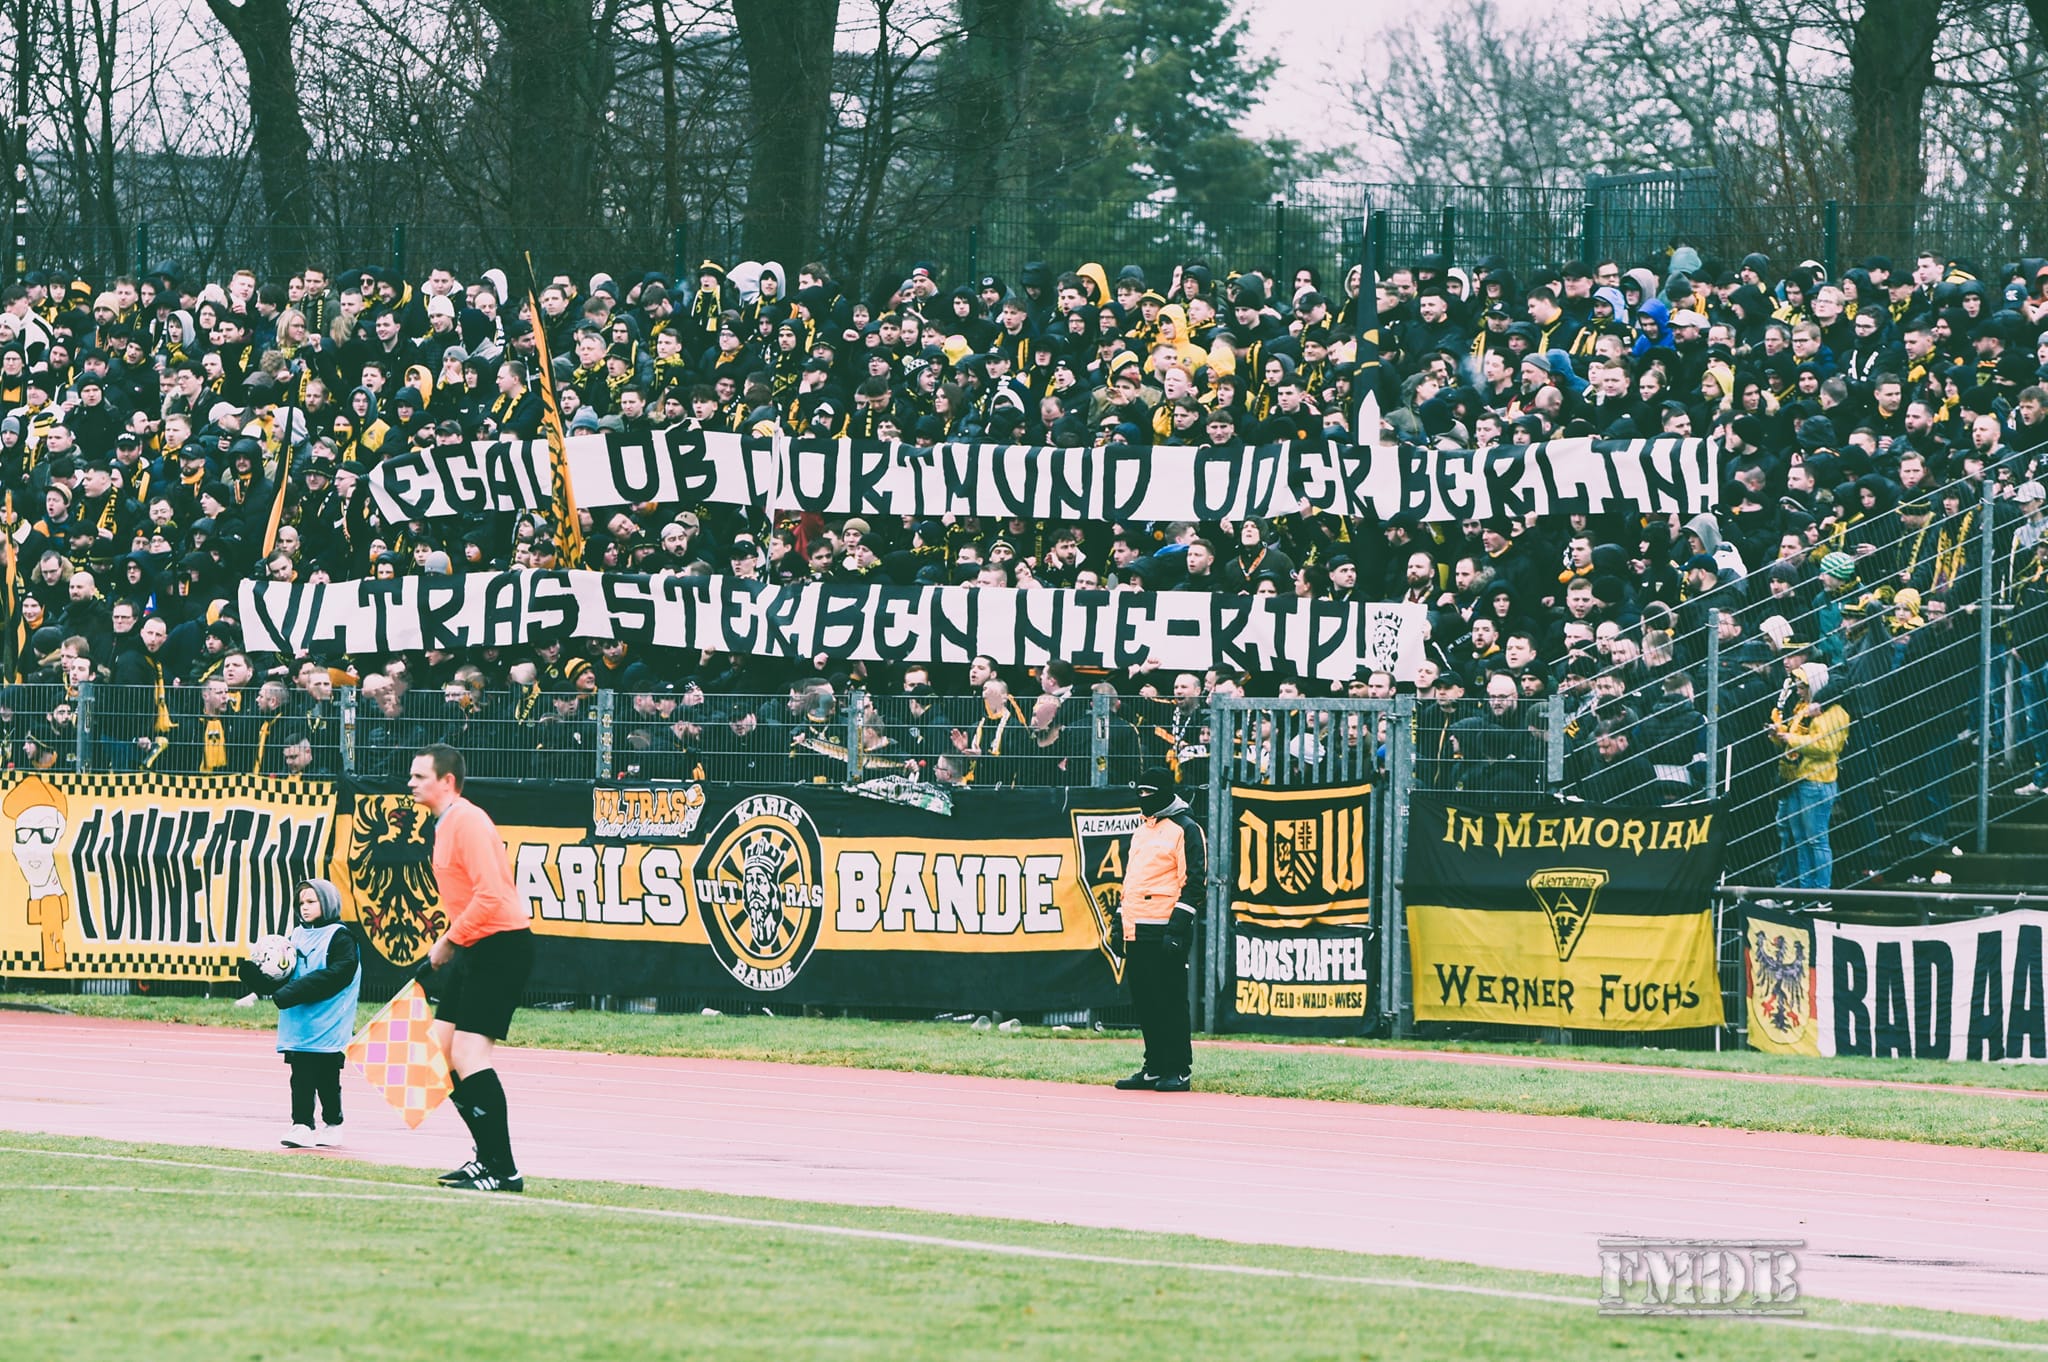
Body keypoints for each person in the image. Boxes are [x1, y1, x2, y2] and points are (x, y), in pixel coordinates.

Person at [411, 742, 533, 1192]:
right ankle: (487, 1160)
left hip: (501, 946)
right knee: (442, 1055)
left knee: (468, 1056)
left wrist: (447, 941)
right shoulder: (444, 825)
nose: (411, 783)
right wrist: (455, 942)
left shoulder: (468, 821)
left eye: (420, 776)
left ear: (447, 781)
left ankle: (504, 1170)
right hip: (475, 948)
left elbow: (493, 898)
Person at [236, 879, 362, 1149]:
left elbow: (337, 975)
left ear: (327, 904)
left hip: (329, 1023)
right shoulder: (295, 935)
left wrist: (292, 993)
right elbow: (286, 976)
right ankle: (302, 1125)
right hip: (299, 1024)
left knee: (328, 1078)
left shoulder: (341, 938)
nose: (304, 908)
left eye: (311, 902)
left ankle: (333, 1123)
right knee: (301, 1075)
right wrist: (258, 981)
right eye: (301, 903)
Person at [1113, 767, 1205, 1093]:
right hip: (1137, 928)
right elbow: (1133, 881)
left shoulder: (1186, 828)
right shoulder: (1141, 830)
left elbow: (1194, 883)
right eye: (1139, 792)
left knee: (1170, 1000)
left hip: (1166, 929)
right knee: (1146, 1001)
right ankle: (1154, 1066)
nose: (1143, 798)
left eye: (1149, 793)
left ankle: (1178, 1069)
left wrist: (1177, 929)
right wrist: (1119, 920)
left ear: (1165, 792)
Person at [1769, 662, 1848, 889]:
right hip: (1798, 778)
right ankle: (1805, 889)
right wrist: (1779, 735)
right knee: (1801, 839)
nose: (1799, 691)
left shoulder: (1834, 712)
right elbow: (1796, 739)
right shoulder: (1803, 709)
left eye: (1803, 686)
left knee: (1816, 840)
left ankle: (1821, 891)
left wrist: (1789, 740)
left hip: (1817, 780)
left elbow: (1825, 747)